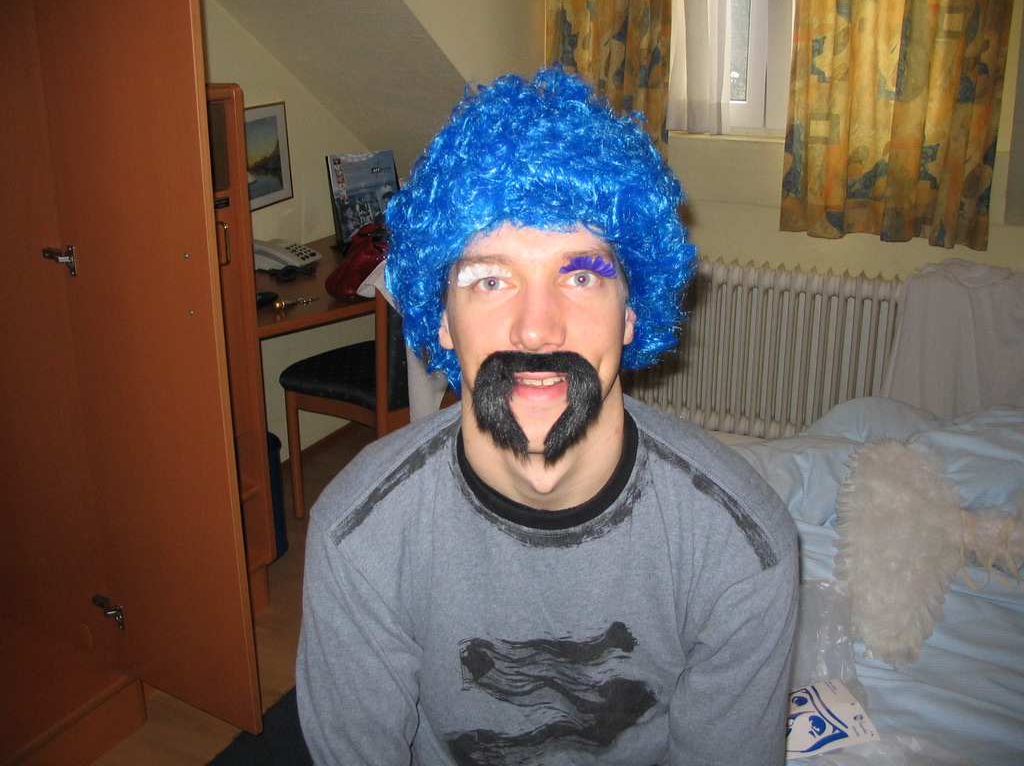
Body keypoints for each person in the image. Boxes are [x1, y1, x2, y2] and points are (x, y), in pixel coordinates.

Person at [297, 67, 799, 766]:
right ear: (442, 319)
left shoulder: (739, 547)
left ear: (632, 313)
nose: (536, 331)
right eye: (491, 280)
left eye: (581, 274)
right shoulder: (360, 538)